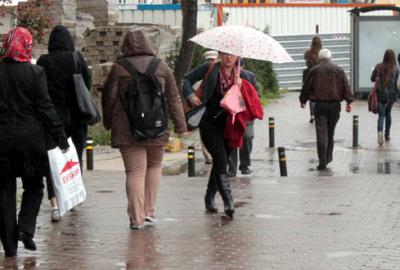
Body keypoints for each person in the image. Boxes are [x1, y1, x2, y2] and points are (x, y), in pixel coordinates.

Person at [102, 28, 187, 229]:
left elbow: (109, 98)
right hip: (157, 125)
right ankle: (149, 212)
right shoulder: (161, 66)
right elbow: (174, 98)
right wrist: (181, 125)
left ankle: (136, 218)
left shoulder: (119, 67)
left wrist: (108, 122)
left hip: (126, 127)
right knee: (155, 166)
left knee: (134, 171)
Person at [0, 27, 69, 257]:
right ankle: (25, 229)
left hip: (2, 142)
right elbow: (46, 109)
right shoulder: (35, 73)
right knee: (35, 186)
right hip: (30, 141)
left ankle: (9, 247)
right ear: (27, 46)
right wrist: (61, 138)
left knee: (5, 192)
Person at [182, 52, 263, 216]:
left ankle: (209, 197)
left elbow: (254, 99)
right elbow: (186, 80)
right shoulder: (210, 68)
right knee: (219, 158)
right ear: (219, 54)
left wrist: (242, 87)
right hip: (209, 122)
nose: (228, 57)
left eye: (232, 55)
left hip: (230, 125)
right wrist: (190, 96)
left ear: (237, 57)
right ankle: (228, 201)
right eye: (225, 54)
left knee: (222, 161)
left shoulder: (243, 75)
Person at [37, 25, 92, 221]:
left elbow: (39, 89)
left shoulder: (43, 61)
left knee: (53, 160)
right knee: (75, 157)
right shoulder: (78, 59)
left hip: (52, 117)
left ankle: (54, 204)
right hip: (76, 115)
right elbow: (87, 84)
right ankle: (74, 198)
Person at [300, 49, 353, 170]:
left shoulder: (314, 70)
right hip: (335, 105)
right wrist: (348, 102)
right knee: (330, 132)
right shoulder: (338, 70)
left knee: (321, 132)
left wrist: (303, 100)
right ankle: (328, 157)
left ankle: (322, 160)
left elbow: (306, 87)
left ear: (319, 58)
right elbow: (345, 86)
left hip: (320, 105)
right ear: (330, 57)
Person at [227, 59, 260, 177]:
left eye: (239, 66)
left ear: (243, 66)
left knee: (247, 136)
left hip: (246, 113)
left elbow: (257, 94)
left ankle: (244, 164)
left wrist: (243, 86)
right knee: (231, 138)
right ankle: (231, 168)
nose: (236, 68)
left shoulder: (249, 76)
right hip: (231, 113)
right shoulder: (225, 76)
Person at [371, 49, 399, 145]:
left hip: (379, 95)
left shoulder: (379, 66)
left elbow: (372, 79)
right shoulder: (396, 69)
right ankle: (387, 134)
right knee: (388, 114)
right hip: (391, 96)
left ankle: (380, 132)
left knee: (381, 115)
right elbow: (397, 84)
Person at [197, 50, 220, 164]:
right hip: (204, 109)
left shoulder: (222, 73)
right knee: (204, 133)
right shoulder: (201, 74)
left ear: (217, 60)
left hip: (219, 109)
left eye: (213, 60)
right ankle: (208, 156)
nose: (211, 62)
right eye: (208, 60)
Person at [303, 35, 322, 124]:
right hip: (319, 74)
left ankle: (312, 114)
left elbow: (306, 60)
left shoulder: (307, 53)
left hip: (309, 74)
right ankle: (319, 112)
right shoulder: (321, 53)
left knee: (311, 95)